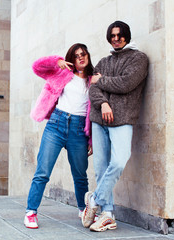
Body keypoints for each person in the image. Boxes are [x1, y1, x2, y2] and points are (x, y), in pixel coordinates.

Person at [81, 21, 149, 232]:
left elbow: (127, 83)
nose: (116, 38)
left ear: (127, 36)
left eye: (120, 35)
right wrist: (103, 104)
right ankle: (107, 214)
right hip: (99, 120)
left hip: (123, 119)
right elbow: (92, 89)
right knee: (101, 168)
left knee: (119, 161)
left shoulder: (139, 59)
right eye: (112, 35)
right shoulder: (103, 61)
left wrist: (101, 81)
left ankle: (94, 199)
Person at [24, 43, 94, 229]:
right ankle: (31, 212)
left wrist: (91, 139)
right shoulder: (62, 72)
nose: (80, 57)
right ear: (72, 58)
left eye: (83, 54)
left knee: (80, 175)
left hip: (79, 130)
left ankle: (82, 210)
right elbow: (37, 67)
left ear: (88, 57)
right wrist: (57, 61)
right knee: (43, 171)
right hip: (56, 125)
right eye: (76, 55)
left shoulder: (92, 81)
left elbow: (93, 113)